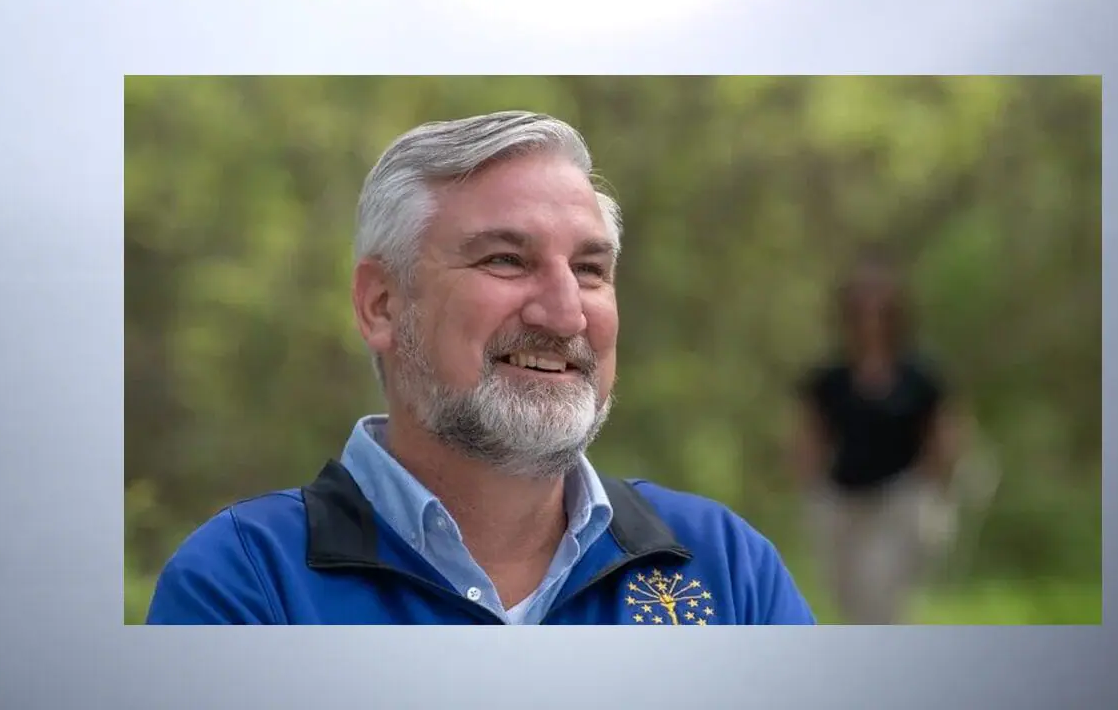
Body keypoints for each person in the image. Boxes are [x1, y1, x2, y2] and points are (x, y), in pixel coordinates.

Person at [146, 110, 816, 625]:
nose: (564, 315)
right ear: (381, 305)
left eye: (589, 270)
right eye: (505, 260)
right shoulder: (248, 583)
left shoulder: (726, 568)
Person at [791, 245, 962, 624]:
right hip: (842, 502)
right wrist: (809, 482)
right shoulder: (829, 379)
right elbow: (810, 437)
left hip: (899, 502)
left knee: (880, 595)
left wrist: (934, 488)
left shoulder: (920, 377)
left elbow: (943, 436)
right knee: (850, 599)